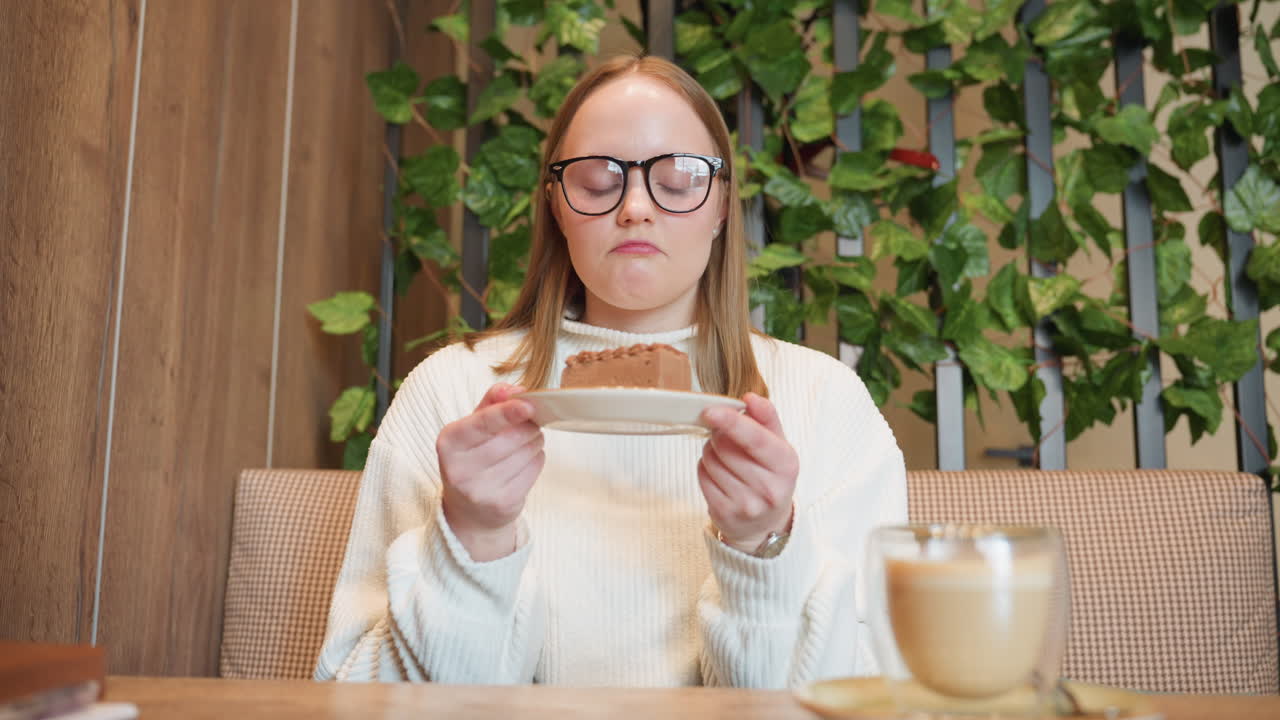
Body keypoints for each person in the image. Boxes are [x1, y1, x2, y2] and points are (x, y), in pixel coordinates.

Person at [314, 54, 907, 688]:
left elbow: (875, 693)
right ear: (557, 206)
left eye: (678, 179)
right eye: (598, 181)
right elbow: (351, 691)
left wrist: (763, 548)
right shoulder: (454, 391)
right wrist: (471, 543)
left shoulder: (824, 400)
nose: (635, 208)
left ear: (722, 206)